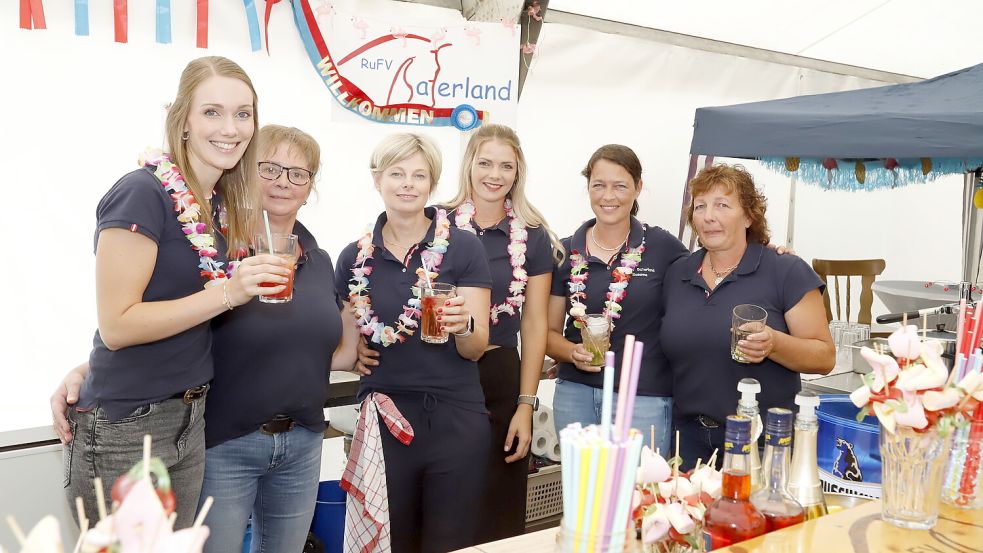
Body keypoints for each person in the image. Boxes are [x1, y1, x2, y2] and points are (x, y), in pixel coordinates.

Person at [54, 56, 290, 529]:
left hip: (191, 416)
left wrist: (83, 366)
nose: (231, 128)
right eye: (212, 112)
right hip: (129, 425)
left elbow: (174, 313)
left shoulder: (218, 205)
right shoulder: (142, 193)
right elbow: (118, 325)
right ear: (182, 119)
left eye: (243, 114)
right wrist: (229, 291)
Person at [197, 124, 358, 552]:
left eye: (297, 173)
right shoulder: (212, 249)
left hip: (303, 442)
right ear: (246, 172)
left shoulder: (320, 261)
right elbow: (171, 323)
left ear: (310, 188)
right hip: (225, 442)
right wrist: (90, 367)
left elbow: (336, 353)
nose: (283, 181)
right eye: (270, 168)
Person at [334, 133, 493, 553]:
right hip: (386, 419)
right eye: (397, 173)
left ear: (431, 184)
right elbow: (348, 344)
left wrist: (463, 325)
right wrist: (352, 361)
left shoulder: (463, 246)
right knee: (391, 541)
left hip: (455, 418)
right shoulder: (353, 256)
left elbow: (476, 347)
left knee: (450, 541)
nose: (408, 183)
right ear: (377, 179)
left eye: (419, 175)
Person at [661, 164, 834, 467]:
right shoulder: (678, 273)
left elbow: (824, 356)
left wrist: (775, 344)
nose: (708, 216)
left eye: (722, 205)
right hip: (686, 439)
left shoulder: (786, 271)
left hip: (761, 441)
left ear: (749, 216)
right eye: (700, 206)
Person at [546, 144, 688, 455]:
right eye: (599, 185)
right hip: (576, 393)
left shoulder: (664, 248)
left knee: (639, 497)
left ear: (638, 188)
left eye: (620, 185)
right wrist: (572, 352)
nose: (608, 196)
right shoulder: (565, 251)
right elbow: (547, 334)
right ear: (588, 188)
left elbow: (714, 269)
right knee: (582, 495)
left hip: (643, 396)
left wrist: (766, 250)